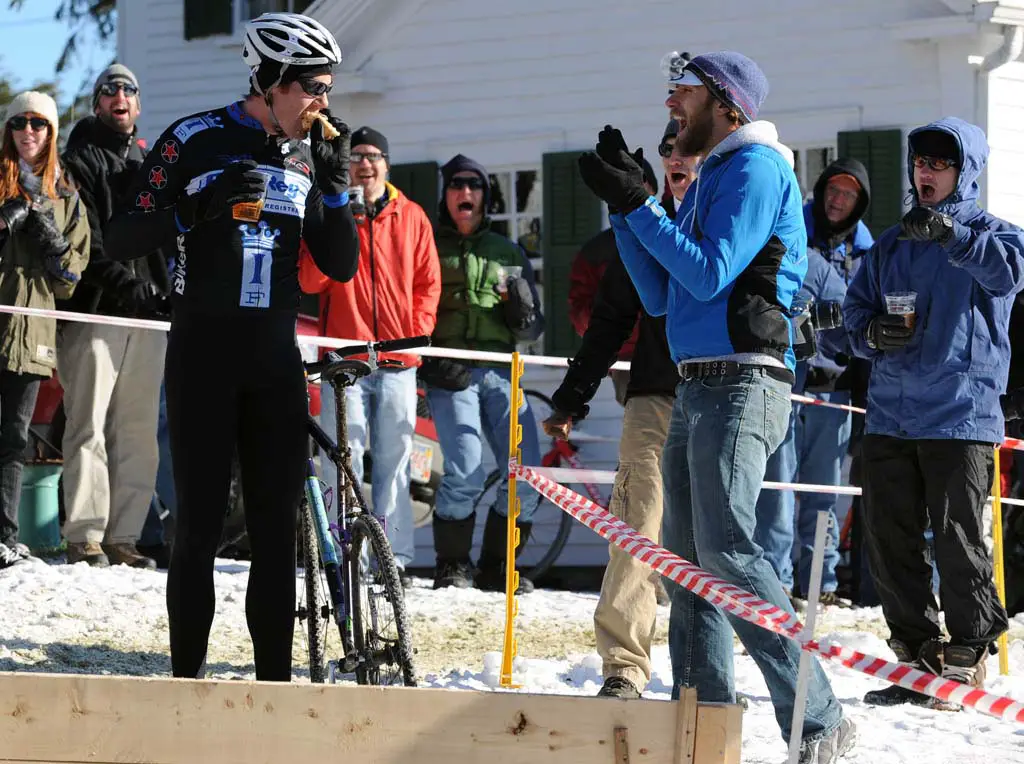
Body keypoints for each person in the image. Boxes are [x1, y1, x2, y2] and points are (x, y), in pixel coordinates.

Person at [577, 51, 854, 761]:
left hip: (745, 381)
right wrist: (628, 211)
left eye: (685, 92)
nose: (671, 103)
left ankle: (820, 716)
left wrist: (642, 205)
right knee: (687, 562)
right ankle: (703, 723)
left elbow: (707, 273)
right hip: (698, 381)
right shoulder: (713, 176)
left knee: (728, 553)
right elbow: (664, 298)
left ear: (726, 104)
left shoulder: (758, 169)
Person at [104, 12, 360, 681]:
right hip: (203, 356)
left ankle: (272, 687)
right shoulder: (194, 137)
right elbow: (120, 236)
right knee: (197, 528)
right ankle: (184, 682)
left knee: (277, 536)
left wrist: (335, 193)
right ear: (272, 82)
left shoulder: (308, 156)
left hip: (275, 360)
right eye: (313, 87)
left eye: (328, 88)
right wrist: (196, 208)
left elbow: (340, 266)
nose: (323, 102)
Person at [844, 117, 1022, 706]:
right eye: (920, 162)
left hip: (961, 414)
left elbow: (1008, 276)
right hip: (891, 412)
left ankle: (968, 652)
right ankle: (918, 655)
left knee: (958, 538)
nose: (926, 172)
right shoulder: (890, 245)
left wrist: (952, 236)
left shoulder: (999, 236)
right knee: (889, 540)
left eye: (940, 164)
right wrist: (873, 333)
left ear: (964, 172)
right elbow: (853, 317)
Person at [543, 135, 700, 699]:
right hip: (653, 394)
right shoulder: (641, 229)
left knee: (709, 542)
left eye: (691, 151)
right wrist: (571, 396)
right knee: (636, 529)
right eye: (670, 152)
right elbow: (609, 318)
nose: (679, 160)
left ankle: (705, 667)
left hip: (721, 397)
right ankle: (624, 667)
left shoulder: (735, 218)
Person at [299, 125, 441, 581]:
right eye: (356, 156)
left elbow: (427, 284)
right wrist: (338, 226)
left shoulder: (412, 215)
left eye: (373, 156)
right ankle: (341, 553)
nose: (364, 164)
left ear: (386, 164)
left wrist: (415, 335)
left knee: (396, 455)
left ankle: (393, 557)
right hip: (346, 358)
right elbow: (309, 281)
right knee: (344, 452)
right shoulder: (330, 212)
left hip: (399, 360)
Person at [58, 64, 170, 569]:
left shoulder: (149, 163)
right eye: (109, 90)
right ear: (97, 104)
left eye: (129, 89)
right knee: (88, 426)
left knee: (139, 430)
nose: (119, 96)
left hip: (147, 319)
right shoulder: (78, 161)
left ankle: (124, 536)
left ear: (138, 106)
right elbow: (88, 246)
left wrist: (168, 294)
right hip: (94, 311)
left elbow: (165, 240)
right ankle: (84, 533)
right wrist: (131, 288)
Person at [754, 159, 873, 607]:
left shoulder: (868, 253)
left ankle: (820, 583)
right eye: (833, 190)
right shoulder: (789, 238)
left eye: (849, 194)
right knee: (779, 487)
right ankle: (777, 580)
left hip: (837, 390)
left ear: (859, 203)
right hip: (785, 383)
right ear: (820, 191)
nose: (838, 200)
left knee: (824, 491)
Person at [423, 154, 544, 592]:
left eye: (474, 186)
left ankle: (498, 568)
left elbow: (533, 328)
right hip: (450, 374)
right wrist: (426, 362)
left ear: (485, 197)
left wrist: (523, 308)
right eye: (457, 185)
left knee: (526, 472)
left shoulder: (508, 251)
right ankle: (452, 566)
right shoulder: (429, 246)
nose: (466, 193)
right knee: (467, 470)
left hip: (500, 372)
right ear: (447, 196)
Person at [0, 92, 90, 568]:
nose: (29, 131)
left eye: (39, 123)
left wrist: (48, 237)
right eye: (20, 122)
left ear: (52, 132)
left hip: (31, 329)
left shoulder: (67, 196)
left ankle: (5, 537)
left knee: (15, 437)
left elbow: (71, 280)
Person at [567, 156, 658, 405]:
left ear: (652, 189)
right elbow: (579, 312)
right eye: (620, 183)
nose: (629, 190)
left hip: (675, 351)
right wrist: (615, 317)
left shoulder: (673, 233)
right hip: (627, 357)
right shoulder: (595, 252)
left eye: (638, 182)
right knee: (643, 428)